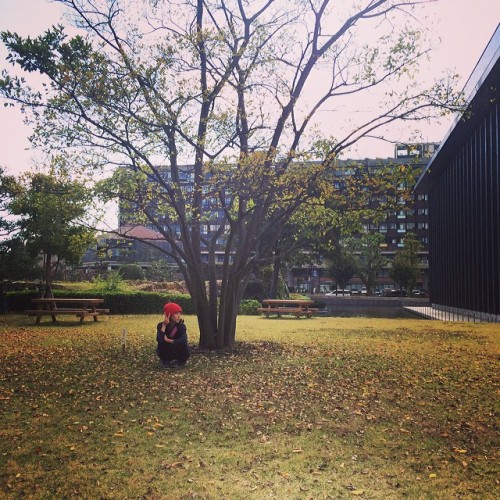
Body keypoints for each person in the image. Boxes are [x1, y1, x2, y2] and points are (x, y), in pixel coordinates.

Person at [156, 302, 190, 368]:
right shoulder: (160, 325)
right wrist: (164, 326)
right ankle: (165, 361)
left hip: (178, 350)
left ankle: (180, 361)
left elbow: (183, 340)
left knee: (184, 345)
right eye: (176, 313)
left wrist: (168, 340)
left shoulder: (181, 326)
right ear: (169, 315)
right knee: (161, 343)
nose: (179, 316)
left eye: (180, 313)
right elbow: (159, 339)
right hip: (167, 351)